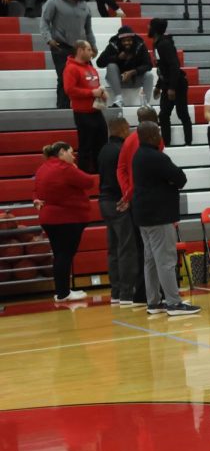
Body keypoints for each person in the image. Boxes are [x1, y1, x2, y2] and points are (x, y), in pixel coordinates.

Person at [132, 121, 200, 316]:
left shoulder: (139, 155)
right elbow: (180, 178)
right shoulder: (157, 157)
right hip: (158, 215)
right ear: (153, 136)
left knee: (151, 260)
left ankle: (153, 302)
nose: (161, 135)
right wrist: (170, 182)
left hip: (144, 215)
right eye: (159, 132)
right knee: (166, 259)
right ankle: (173, 302)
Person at [34, 140, 94, 303]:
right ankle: (63, 293)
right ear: (61, 152)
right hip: (67, 218)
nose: (73, 157)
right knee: (65, 255)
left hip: (49, 218)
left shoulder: (43, 167)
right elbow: (89, 182)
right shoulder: (65, 168)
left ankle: (61, 291)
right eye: (71, 152)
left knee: (59, 255)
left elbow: (36, 191)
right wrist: (75, 168)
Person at [97, 116, 141, 306]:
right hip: (118, 201)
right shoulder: (121, 150)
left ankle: (115, 291)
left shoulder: (104, 149)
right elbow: (124, 178)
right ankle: (126, 293)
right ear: (123, 130)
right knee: (126, 249)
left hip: (104, 201)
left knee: (113, 248)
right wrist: (127, 199)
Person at [39, 0, 94, 109]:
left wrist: (93, 46)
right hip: (60, 46)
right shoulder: (54, 1)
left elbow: (88, 29)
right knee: (64, 78)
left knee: (89, 76)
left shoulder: (84, 5)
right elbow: (44, 21)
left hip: (81, 48)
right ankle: (62, 109)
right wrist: (48, 39)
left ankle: (88, 106)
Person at [63, 40, 107, 174]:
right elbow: (69, 90)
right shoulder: (71, 68)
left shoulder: (90, 67)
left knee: (102, 144)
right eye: (88, 50)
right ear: (80, 50)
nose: (91, 52)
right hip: (83, 113)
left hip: (96, 111)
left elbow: (95, 86)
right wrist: (91, 93)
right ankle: (85, 175)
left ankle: (100, 174)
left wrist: (102, 93)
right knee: (86, 146)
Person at [148, 18, 191, 146]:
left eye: (149, 26)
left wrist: (171, 88)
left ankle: (188, 142)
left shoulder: (164, 44)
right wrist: (158, 86)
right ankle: (166, 143)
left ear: (154, 29)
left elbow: (174, 66)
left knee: (182, 113)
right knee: (164, 115)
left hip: (177, 83)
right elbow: (163, 69)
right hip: (167, 83)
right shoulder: (157, 43)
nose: (147, 28)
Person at [96, 25, 153, 108]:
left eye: (129, 40)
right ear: (120, 41)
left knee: (149, 74)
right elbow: (99, 62)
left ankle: (146, 104)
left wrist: (133, 72)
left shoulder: (140, 45)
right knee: (111, 65)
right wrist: (117, 58)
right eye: (124, 41)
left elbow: (149, 65)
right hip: (118, 80)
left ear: (133, 40)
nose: (127, 43)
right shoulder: (113, 45)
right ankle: (119, 100)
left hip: (135, 79)